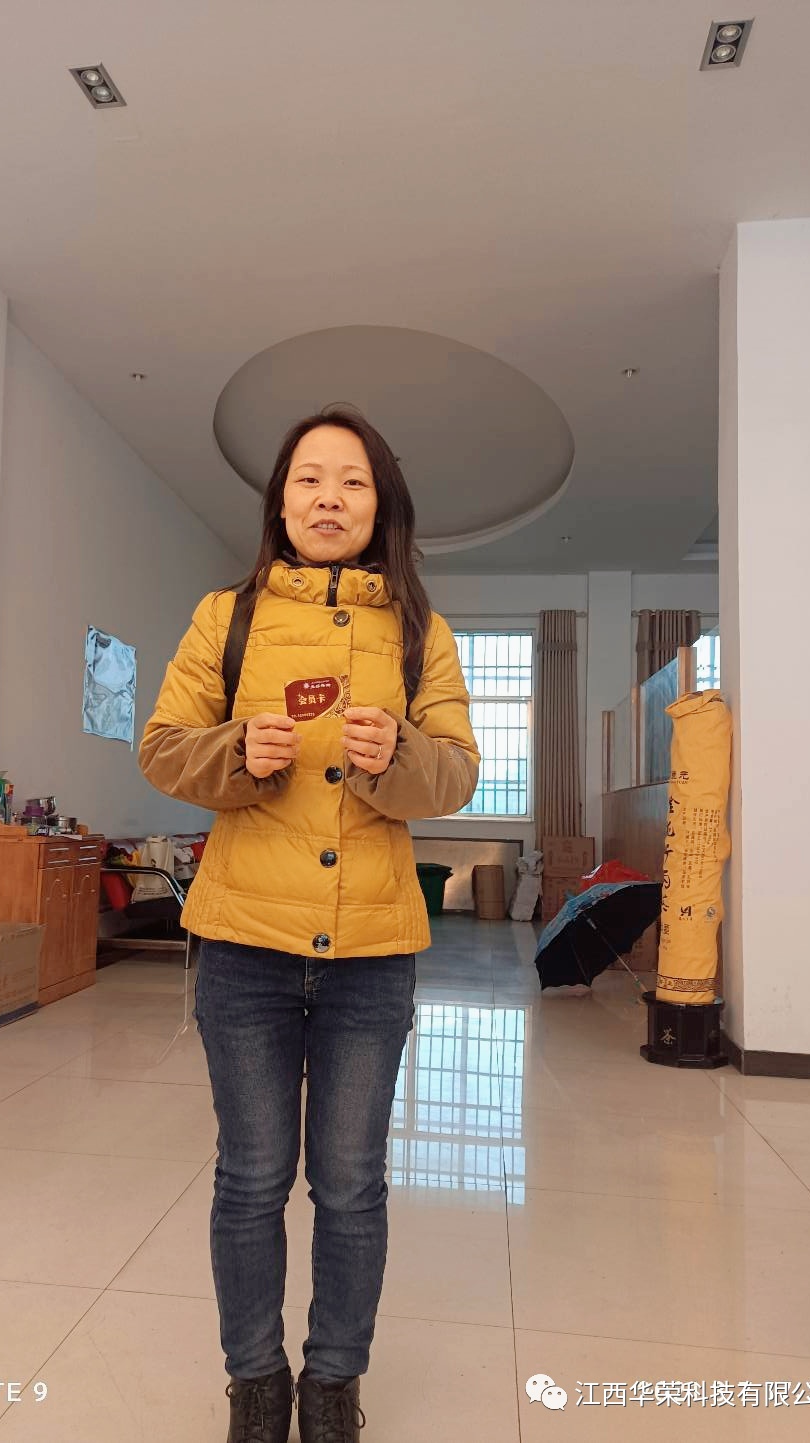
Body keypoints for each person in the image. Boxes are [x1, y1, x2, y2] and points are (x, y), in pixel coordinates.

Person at [139, 405, 479, 1442]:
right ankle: (255, 1384)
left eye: (353, 481)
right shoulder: (225, 617)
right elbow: (162, 747)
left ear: (382, 506)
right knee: (250, 1180)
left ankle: (332, 1384)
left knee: (351, 1185)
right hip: (244, 945)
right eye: (309, 479)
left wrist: (400, 758)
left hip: (371, 953)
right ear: (280, 502)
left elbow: (459, 773)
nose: (330, 498)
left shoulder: (421, 630)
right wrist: (237, 751)